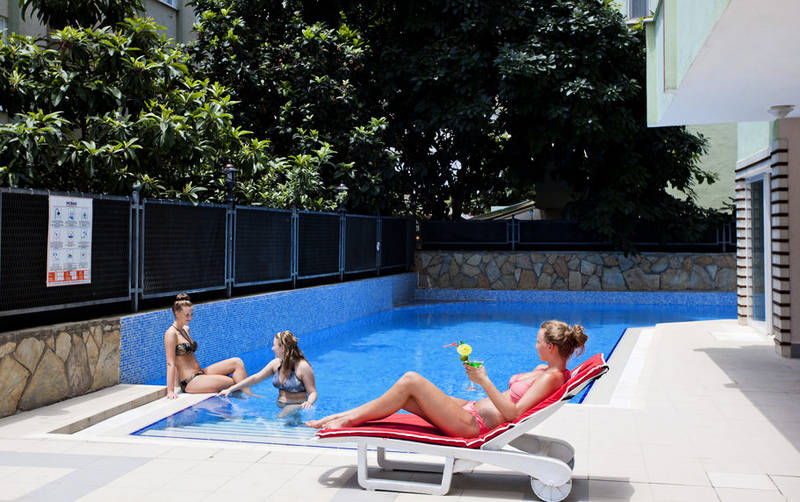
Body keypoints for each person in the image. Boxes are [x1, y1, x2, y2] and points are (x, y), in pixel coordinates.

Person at [306, 320, 587, 436]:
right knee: (405, 395)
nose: (535, 345)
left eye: (538, 341)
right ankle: (343, 416)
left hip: (473, 425)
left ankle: (346, 420)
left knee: (411, 380)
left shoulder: (552, 378)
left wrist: (484, 380)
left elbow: (513, 414)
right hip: (471, 409)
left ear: (551, 347)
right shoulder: (543, 371)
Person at [164, 293, 250, 399]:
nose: (190, 318)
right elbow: (170, 363)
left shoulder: (185, 329)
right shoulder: (171, 333)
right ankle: (248, 401)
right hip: (190, 381)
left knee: (237, 362)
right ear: (176, 313)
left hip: (200, 373)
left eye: (191, 314)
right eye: (187, 315)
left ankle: (248, 398)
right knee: (235, 382)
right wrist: (171, 390)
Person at [218, 330, 317, 416]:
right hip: (280, 406)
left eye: (274, 345)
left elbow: (312, 392)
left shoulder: (303, 367)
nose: (272, 348)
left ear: (282, 348)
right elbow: (256, 378)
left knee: (281, 420)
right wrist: (230, 389)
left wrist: (309, 402)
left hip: (297, 406)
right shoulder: (276, 364)